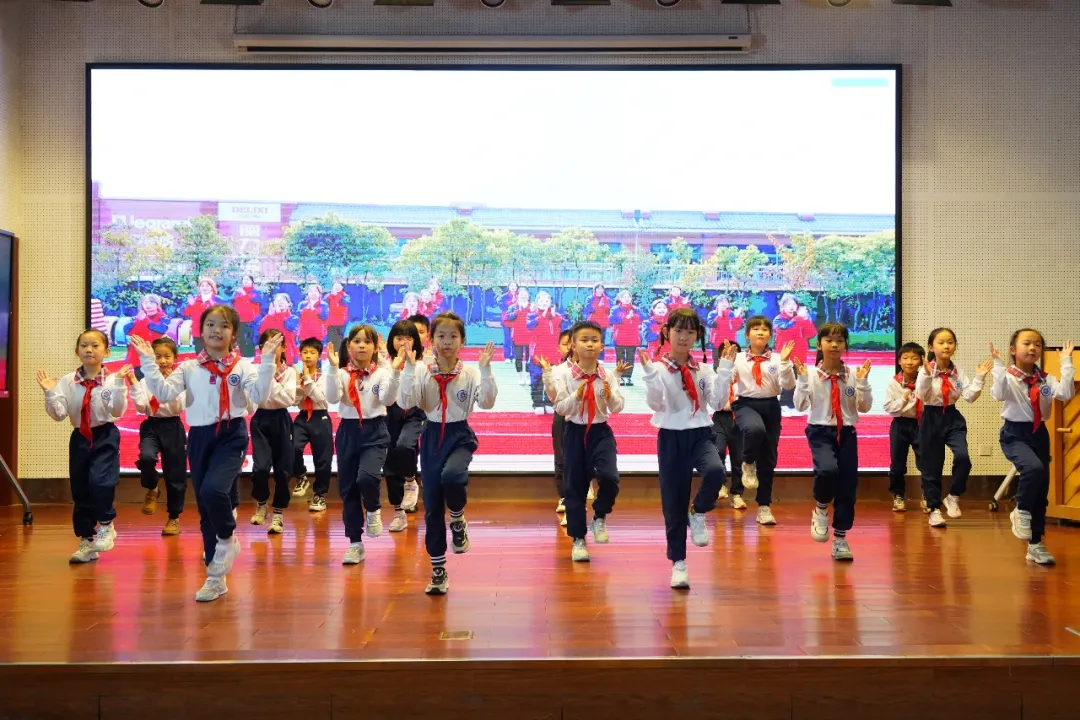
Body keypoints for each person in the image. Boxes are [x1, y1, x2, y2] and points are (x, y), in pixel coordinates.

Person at [131, 306, 280, 602]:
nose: (216, 330)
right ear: (201, 331)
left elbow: (260, 395)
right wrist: (148, 361)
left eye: (223, 325)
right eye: (210, 324)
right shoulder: (189, 368)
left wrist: (267, 362)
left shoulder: (243, 366)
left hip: (232, 434)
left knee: (214, 490)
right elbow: (164, 393)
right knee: (204, 506)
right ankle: (215, 577)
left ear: (233, 334)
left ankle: (227, 537)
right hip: (199, 436)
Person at [400, 313, 497, 595]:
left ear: (462, 340)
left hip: (459, 436)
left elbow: (487, 403)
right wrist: (408, 369)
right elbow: (406, 401)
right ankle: (438, 570)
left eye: (453, 336)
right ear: (431, 340)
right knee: (432, 506)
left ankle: (457, 517)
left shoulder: (470, 373)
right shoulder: (422, 370)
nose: (447, 342)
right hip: (431, 437)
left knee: (453, 477)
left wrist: (486, 371)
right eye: (441, 336)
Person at [639, 309, 731, 588]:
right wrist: (649, 375)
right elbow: (656, 405)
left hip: (701, 434)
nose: (684, 337)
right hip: (671, 438)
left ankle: (699, 511)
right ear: (667, 332)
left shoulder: (703, 370)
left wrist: (725, 369)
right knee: (673, 502)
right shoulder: (657, 369)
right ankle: (678, 562)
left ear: (698, 335)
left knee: (716, 472)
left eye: (690, 332)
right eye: (678, 331)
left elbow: (717, 403)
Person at [38, 329, 130, 563]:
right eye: (84, 346)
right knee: (80, 488)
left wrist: (120, 385)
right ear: (76, 351)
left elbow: (117, 411)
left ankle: (107, 525)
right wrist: (50, 392)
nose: (89, 350)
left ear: (106, 351)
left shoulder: (113, 379)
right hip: (80, 436)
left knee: (101, 481)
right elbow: (59, 415)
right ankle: (86, 541)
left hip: (105, 435)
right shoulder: (68, 381)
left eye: (95, 345)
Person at [990, 331, 1075, 565]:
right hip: (1014, 434)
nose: (1032, 348)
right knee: (1033, 468)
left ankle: (1035, 544)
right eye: (1026, 343)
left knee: (1041, 490)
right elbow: (998, 394)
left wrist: (1066, 363)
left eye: (1037, 344)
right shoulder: (1008, 377)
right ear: (1013, 350)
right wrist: (998, 366)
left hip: (1039, 434)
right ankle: (1020, 509)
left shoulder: (1046, 379)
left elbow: (1066, 393)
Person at [793, 323, 873, 562]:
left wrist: (863, 383)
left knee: (847, 484)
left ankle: (840, 538)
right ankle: (820, 508)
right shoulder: (811, 375)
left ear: (846, 345)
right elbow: (800, 406)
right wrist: (802, 380)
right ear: (819, 344)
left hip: (846, 432)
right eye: (829, 340)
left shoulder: (853, 375)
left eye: (840, 340)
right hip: (819, 430)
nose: (834, 345)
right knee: (827, 470)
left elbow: (864, 408)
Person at [548, 321, 626, 563]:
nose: (590, 344)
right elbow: (561, 408)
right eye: (584, 340)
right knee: (575, 487)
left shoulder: (607, 375)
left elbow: (618, 407)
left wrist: (611, 397)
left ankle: (599, 516)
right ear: (573, 345)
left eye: (595, 340)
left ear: (602, 346)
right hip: (574, 432)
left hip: (600, 432)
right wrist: (576, 396)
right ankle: (578, 539)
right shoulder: (564, 374)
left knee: (610, 477)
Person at [326, 324, 404, 565]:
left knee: (367, 477)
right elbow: (332, 397)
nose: (362, 346)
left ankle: (373, 508)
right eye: (357, 341)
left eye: (367, 342)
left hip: (375, 431)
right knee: (348, 488)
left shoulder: (381, 373)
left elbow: (388, 399)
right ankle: (355, 544)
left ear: (375, 347)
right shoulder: (341, 373)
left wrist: (395, 372)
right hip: (348, 432)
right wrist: (332, 368)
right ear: (349, 346)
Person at [914, 328, 992, 528]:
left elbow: (970, 397)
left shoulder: (957, 373)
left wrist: (979, 378)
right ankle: (934, 509)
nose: (946, 346)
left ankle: (953, 496)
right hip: (931, 417)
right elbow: (921, 395)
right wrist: (926, 374)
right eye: (941, 342)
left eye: (950, 342)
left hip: (952, 417)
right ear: (931, 347)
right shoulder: (926, 369)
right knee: (932, 467)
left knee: (963, 457)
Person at [730, 316, 796, 526]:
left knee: (768, 458)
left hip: (771, 406)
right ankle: (748, 462)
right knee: (754, 429)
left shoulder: (778, 358)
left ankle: (764, 506)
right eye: (756, 329)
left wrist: (785, 363)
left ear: (770, 335)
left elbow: (788, 385)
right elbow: (727, 379)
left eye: (765, 329)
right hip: (745, 404)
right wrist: (725, 364)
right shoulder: (738, 358)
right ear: (747, 334)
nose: (760, 332)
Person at [131, 337, 188, 536]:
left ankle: (174, 517)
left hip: (173, 426)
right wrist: (134, 385)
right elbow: (141, 407)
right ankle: (152, 486)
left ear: (175, 358)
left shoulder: (180, 381)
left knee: (175, 474)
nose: (162, 361)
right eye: (157, 357)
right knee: (146, 458)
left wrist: (169, 387)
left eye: (167, 356)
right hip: (151, 426)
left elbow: (180, 406)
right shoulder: (145, 381)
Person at [248, 329, 298, 534]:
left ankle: (278, 513)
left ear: (284, 347)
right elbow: (257, 398)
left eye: (276, 345)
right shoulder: (254, 371)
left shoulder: (290, 372)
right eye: (266, 346)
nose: (270, 349)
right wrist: (266, 374)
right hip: (260, 419)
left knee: (283, 470)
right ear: (260, 349)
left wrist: (268, 380)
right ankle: (261, 503)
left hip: (281, 420)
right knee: (260, 467)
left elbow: (288, 399)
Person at [383, 320, 427, 531]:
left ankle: (410, 479)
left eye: (408, 338)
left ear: (415, 341)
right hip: (390, 413)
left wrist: (409, 365)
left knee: (405, 445)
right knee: (390, 461)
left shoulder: (421, 366)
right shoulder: (384, 365)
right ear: (391, 340)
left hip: (414, 413)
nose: (403, 342)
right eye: (399, 338)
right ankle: (398, 512)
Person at [291, 337, 334, 512]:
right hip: (302, 416)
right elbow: (294, 401)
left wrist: (307, 380)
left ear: (319, 355)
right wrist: (298, 385)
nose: (308, 356)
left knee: (322, 459)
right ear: (300, 354)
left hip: (320, 416)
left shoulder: (325, 376)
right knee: (292, 447)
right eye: (305, 352)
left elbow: (320, 398)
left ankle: (319, 494)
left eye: (312, 352)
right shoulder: (295, 375)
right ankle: (301, 476)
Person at [883, 342, 925, 512]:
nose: (909, 362)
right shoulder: (893, 383)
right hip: (900, 424)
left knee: (926, 461)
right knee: (897, 462)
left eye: (914, 358)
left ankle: (928, 495)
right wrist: (903, 400)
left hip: (921, 424)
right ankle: (898, 495)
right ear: (899, 361)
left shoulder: (926, 381)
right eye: (905, 358)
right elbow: (889, 408)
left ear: (921, 361)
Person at [712, 341, 746, 509]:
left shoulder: (745, 378)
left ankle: (737, 494)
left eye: (735, 354)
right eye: (727, 354)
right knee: (718, 451)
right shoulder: (716, 377)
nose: (732, 357)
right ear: (720, 358)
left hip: (740, 419)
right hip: (721, 418)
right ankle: (720, 484)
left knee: (738, 459)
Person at [527, 290, 565, 415]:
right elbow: (529, 326)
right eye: (542, 300)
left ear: (550, 302)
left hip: (553, 353)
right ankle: (537, 403)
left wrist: (557, 318)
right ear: (537, 302)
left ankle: (549, 402)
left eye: (547, 301)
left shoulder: (557, 316)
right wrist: (542, 317)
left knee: (552, 379)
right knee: (537, 379)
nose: (544, 303)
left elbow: (566, 329)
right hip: (538, 353)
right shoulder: (532, 315)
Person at [126, 293, 170, 380]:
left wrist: (145, 320)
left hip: (156, 355)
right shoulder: (137, 318)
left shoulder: (164, 318)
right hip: (138, 356)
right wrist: (138, 321)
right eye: (145, 302)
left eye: (151, 302)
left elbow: (161, 329)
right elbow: (126, 330)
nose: (148, 305)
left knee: (157, 380)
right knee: (140, 380)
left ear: (157, 304)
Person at [609, 290, 642, 387]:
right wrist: (625, 317)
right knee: (620, 358)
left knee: (630, 358)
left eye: (628, 297)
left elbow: (643, 318)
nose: (627, 299)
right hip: (620, 337)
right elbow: (611, 319)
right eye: (624, 297)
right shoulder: (615, 309)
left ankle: (628, 376)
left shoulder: (636, 309)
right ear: (620, 298)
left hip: (632, 337)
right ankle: (620, 376)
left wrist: (634, 316)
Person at [183, 278, 221, 353]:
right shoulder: (195, 299)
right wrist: (191, 305)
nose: (204, 288)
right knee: (199, 351)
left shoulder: (218, 299)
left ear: (212, 287)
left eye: (207, 286)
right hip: (197, 330)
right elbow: (186, 313)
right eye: (202, 286)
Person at [706, 296, 744, 371]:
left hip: (730, 341)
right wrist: (719, 316)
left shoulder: (732, 314)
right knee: (716, 363)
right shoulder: (712, 314)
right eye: (721, 302)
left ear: (728, 304)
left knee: (729, 362)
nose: (724, 304)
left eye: (726, 302)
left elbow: (736, 327)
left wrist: (737, 318)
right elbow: (711, 324)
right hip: (717, 341)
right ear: (717, 304)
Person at [233, 275, 266, 357]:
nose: (246, 281)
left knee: (250, 339)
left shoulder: (256, 292)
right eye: (244, 279)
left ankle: (251, 357)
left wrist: (244, 294)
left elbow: (256, 300)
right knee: (241, 340)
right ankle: (243, 357)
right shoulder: (237, 293)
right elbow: (233, 304)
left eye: (248, 279)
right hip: (240, 320)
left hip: (252, 321)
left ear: (252, 281)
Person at [325, 281, 352, 354]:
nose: (337, 288)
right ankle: (331, 356)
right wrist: (332, 295)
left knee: (339, 339)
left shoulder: (345, 296)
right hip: (330, 322)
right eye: (335, 286)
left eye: (338, 286)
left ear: (342, 287)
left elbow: (345, 303)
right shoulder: (329, 296)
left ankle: (339, 355)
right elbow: (324, 304)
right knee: (330, 339)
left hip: (341, 322)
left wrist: (337, 295)